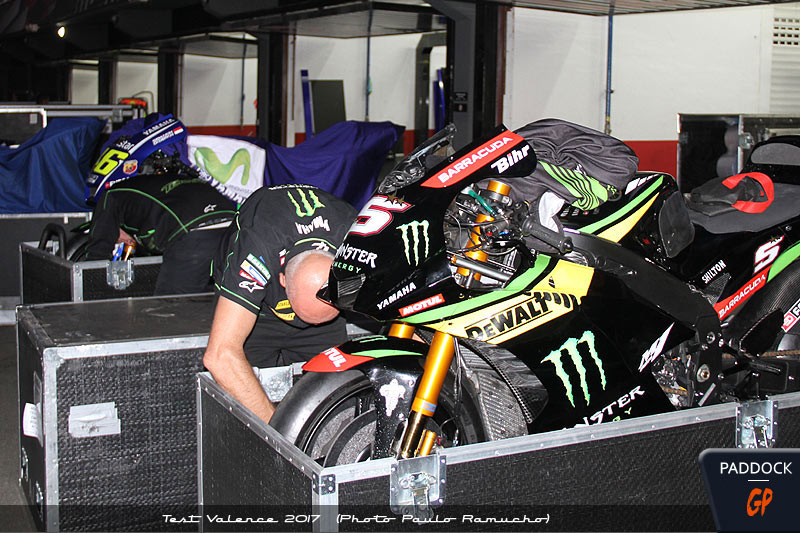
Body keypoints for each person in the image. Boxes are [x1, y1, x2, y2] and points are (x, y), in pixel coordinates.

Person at [203, 184, 357, 423]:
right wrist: (279, 436)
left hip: (326, 310)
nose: (303, 324)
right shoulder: (257, 251)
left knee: (334, 397)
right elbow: (220, 356)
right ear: (282, 280)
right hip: (259, 315)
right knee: (243, 400)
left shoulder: (357, 242)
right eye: (304, 316)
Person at [84, 173, 237, 295]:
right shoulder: (146, 191)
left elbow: (97, 253)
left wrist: (92, 288)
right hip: (232, 224)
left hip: (194, 230)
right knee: (220, 297)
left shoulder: (110, 196)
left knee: (171, 305)